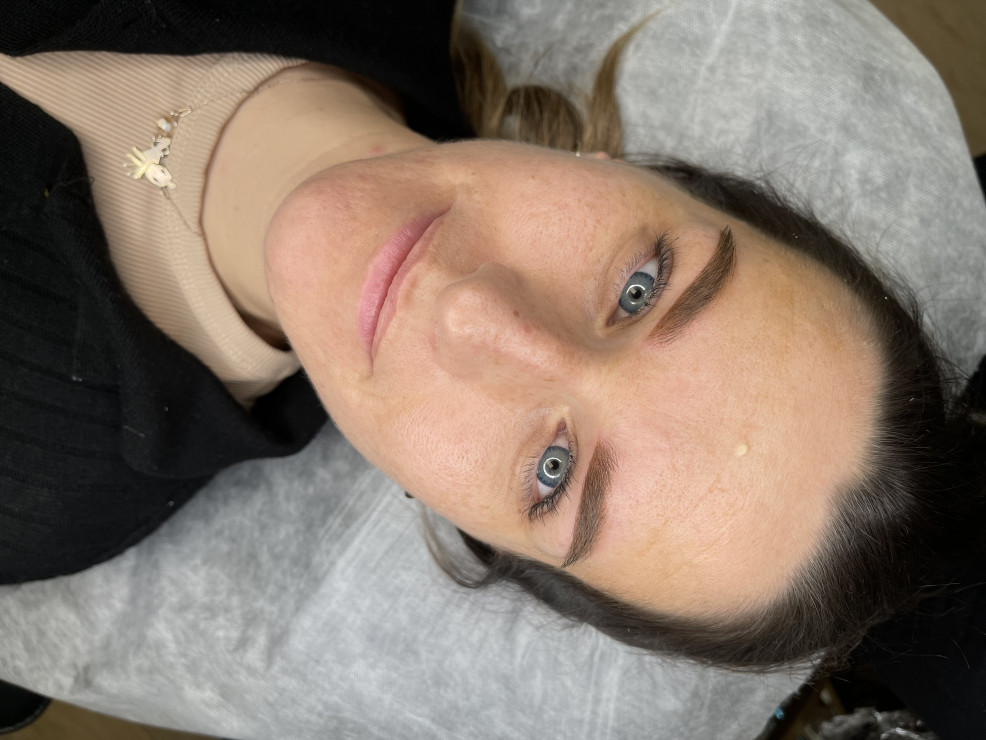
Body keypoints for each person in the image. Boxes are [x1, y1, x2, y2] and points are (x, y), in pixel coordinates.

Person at [0, 0, 982, 707]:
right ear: (637, 173)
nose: (475, 315)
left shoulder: (29, 487)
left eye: (554, 471)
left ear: (466, 523)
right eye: (639, 288)